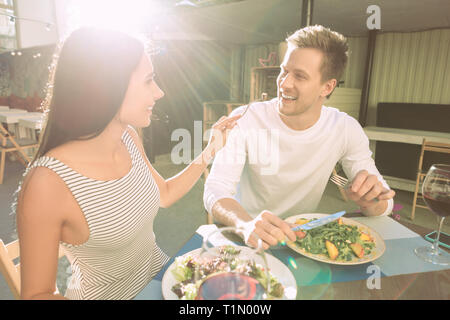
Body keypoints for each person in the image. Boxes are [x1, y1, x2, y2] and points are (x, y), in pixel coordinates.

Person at [15, 27, 240, 300]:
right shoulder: (46, 183)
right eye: (148, 81)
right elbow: (36, 295)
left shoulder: (129, 138)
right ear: (106, 86)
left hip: (165, 282)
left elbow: (164, 194)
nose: (159, 92)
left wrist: (211, 150)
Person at [203, 25, 396, 250]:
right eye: (284, 71)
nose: (284, 83)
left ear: (327, 87)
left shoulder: (345, 128)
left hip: (300, 241)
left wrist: (371, 202)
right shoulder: (245, 118)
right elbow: (215, 188)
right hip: (245, 236)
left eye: (300, 76)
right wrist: (245, 224)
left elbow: (386, 201)